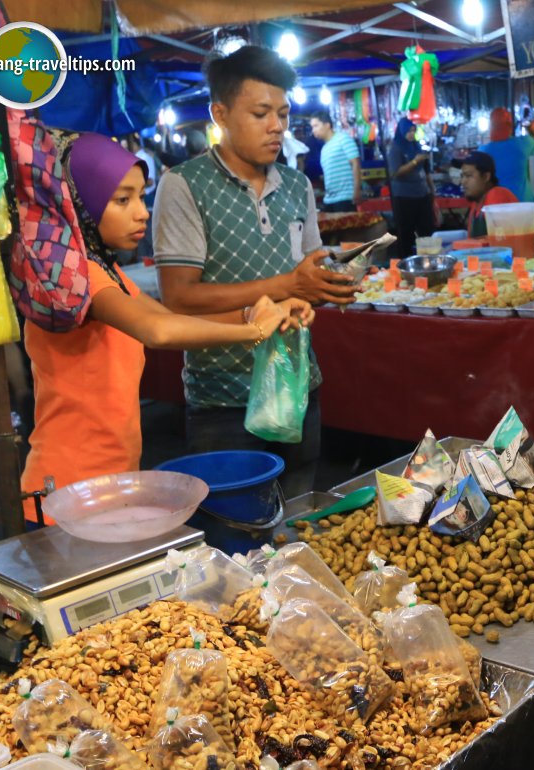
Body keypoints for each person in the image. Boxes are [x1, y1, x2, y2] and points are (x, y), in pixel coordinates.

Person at [21, 132, 313, 521]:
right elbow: (157, 333)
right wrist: (252, 332)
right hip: (69, 490)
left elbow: (167, 319)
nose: (142, 212)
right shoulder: (76, 281)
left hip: (107, 480)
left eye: (142, 196)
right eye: (122, 200)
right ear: (80, 204)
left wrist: (258, 313)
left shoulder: (106, 274)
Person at [153, 46, 358, 499]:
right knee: (234, 530)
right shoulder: (184, 185)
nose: (277, 126)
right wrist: (288, 285)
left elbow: (307, 276)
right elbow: (179, 298)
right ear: (220, 113)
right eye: (261, 112)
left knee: (299, 513)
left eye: (283, 113)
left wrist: (327, 286)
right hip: (224, 396)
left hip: (297, 383)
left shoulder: (298, 184)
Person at [386, 117, 436, 259]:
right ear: (402, 131)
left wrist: (432, 191)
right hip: (404, 197)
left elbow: (426, 172)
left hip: (422, 194)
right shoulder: (396, 147)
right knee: (406, 232)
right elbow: (395, 173)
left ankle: (428, 260)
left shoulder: (416, 146)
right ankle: (406, 261)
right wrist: (415, 161)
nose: (411, 134)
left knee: (426, 230)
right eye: (409, 131)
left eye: (414, 131)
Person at [477, 107, 534, 202]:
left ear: (491, 127)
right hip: (524, 204)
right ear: (510, 126)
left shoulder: (483, 151)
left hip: (496, 205)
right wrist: (531, 129)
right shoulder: (523, 144)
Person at [454, 151, 517, 238]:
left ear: (486, 177)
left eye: (468, 176)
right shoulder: (476, 204)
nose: (462, 182)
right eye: (462, 176)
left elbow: (501, 240)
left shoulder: (497, 195)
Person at [309, 110, 361, 212]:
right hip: (329, 200)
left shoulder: (343, 139)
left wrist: (357, 191)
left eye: (316, 126)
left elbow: (356, 164)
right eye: (312, 127)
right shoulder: (324, 149)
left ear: (327, 125)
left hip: (346, 198)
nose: (313, 130)